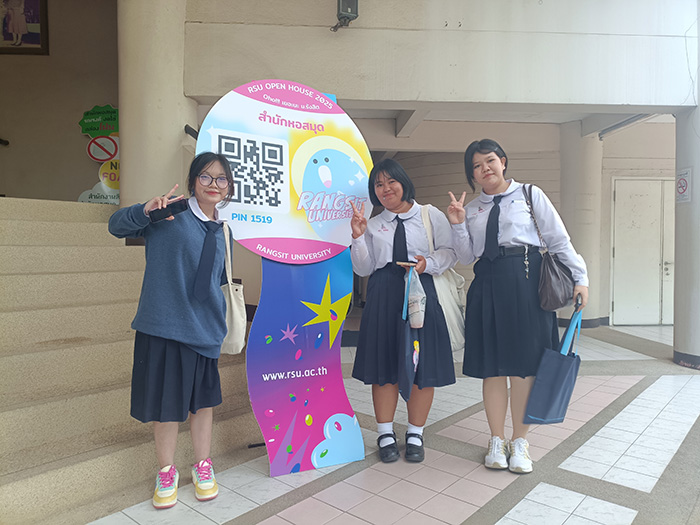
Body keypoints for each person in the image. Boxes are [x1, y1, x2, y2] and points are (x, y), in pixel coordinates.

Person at [447, 139, 588, 474]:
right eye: (477, 166)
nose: (485, 169)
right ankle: (497, 440)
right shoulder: (474, 209)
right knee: (493, 368)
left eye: (490, 161)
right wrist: (458, 224)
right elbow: (467, 256)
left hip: (527, 282)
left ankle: (520, 441)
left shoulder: (529, 194)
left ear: (503, 162)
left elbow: (558, 239)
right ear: (472, 175)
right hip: (487, 284)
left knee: (524, 367)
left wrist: (580, 277)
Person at [108, 152, 235, 508]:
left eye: (221, 179)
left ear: (228, 187)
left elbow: (215, 281)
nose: (213, 184)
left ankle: (202, 465)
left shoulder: (224, 230)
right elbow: (116, 226)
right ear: (193, 180)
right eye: (206, 177)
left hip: (205, 330)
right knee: (166, 407)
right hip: (164, 327)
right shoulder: (170, 214)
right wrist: (144, 211)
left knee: (203, 404)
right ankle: (166, 471)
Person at [349, 158, 457, 463]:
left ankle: (415, 433)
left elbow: (450, 253)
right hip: (383, 293)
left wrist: (427, 264)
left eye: (390, 181)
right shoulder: (372, 224)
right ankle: (385, 433)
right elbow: (364, 267)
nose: (385, 189)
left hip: (421, 290)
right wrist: (358, 236)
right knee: (383, 365)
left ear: (403, 182)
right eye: (378, 184)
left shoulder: (430, 215)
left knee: (423, 365)